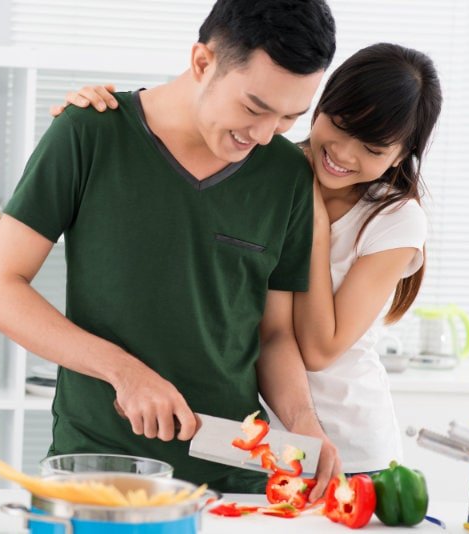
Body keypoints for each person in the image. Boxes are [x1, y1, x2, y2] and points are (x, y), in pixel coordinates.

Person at [0, 0, 340, 496]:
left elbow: (273, 334)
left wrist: (303, 423)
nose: (263, 134)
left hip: (232, 474)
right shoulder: (88, 132)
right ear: (203, 62)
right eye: (253, 108)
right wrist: (124, 373)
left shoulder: (287, 175)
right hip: (98, 466)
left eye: (289, 117)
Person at [55, 42, 443, 474]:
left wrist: (312, 225)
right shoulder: (264, 161)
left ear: (400, 156)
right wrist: (98, 111)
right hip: (260, 439)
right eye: (342, 126)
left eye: (373, 150)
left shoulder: (393, 219)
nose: (346, 154)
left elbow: (317, 348)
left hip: (349, 443)